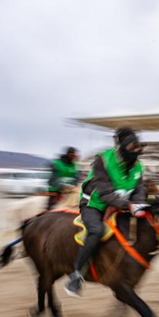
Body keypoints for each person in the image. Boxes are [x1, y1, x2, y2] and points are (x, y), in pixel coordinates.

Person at [65, 127, 148, 298]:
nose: (137, 153)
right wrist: (129, 206)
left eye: (138, 148)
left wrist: (139, 204)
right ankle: (76, 275)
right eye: (133, 148)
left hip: (121, 205)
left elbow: (139, 188)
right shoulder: (102, 160)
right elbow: (105, 193)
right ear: (122, 147)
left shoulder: (139, 166)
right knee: (97, 231)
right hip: (94, 205)